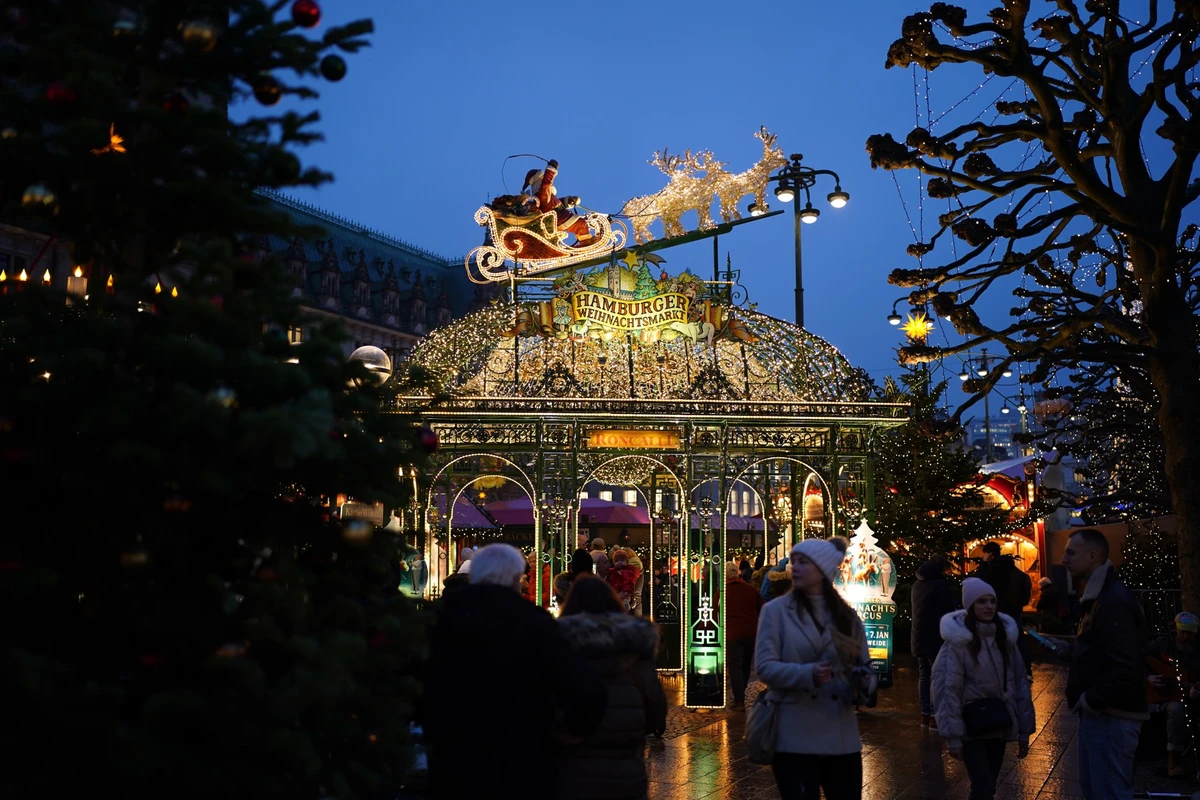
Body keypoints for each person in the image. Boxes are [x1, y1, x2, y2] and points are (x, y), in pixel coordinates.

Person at [422, 544, 607, 799]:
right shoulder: (536, 624)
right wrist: (569, 731)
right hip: (522, 757)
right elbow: (586, 689)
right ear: (516, 579)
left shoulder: (436, 620)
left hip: (452, 756)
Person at [756, 537, 870, 800]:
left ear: (823, 569)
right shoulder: (776, 612)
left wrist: (865, 682)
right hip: (795, 736)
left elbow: (864, 666)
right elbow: (764, 667)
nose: (794, 568)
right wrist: (806, 674)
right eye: (794, 561)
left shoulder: (847, 617)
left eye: (803, 562)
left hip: (840, 737)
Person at [1054, 529, 1148, 800]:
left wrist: (1091, 700)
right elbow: (1104, 651)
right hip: (1104, 713)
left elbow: (1126, 666)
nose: (1063, 559)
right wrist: (1072, 651)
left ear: (1093, 556)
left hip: (1111, 717)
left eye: (1071, 552)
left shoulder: (1110, 601)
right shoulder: (1100, 597)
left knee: (1108, 792)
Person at [557, 575, 667, 799]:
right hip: (626, 774)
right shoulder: (636, 651)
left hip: (572, 773)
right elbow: (656, 712)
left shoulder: (558, 649)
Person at [932, 578, 1035, 800]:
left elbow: (1020, 686)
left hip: (998, 722)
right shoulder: (957, 643)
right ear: (970, 606)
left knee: (989, 785)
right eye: (981, 602)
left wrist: (1024, 730)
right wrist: (953, 736)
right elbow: (947, 690)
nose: (988, 606)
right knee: (983, 786)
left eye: (992, 601)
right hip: (972, 726)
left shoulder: (1005, 640)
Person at [1145, 611, 1200, 778]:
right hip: (1162, 696)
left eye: (1189, 633)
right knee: (1176, 709)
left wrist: (1196, 691)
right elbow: (1138, 659)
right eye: (1182, 631)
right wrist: (1148, 677)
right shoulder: (1162, 644)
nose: (1185, 636)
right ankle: (1173, 761)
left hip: (1191, 698)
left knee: (1181, 707)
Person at [975, 541, 1033, 679]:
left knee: (995, 640)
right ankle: (1026, 669)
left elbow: (978, 581)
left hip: (997, 609)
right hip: (1014, 609)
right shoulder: (1013, 568)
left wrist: (983, 563)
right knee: (1018, 638)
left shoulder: (992, 569)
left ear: (989, 554)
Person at [911, 555, 957, 730]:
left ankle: (924, 715)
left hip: (918, 635)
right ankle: (934, 716)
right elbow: (946, 611)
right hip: (935, 636)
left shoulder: (917, 584)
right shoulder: (940, 585)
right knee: (937, 676)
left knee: (924, 674)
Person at [522, 159, 594, 245]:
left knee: (584, 221)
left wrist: (568, 201)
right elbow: (546, 183)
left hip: (559, 216)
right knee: (581, 223)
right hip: (559, 218)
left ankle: (585, 242)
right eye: (542, 177)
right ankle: (586, 243)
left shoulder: (546, 196)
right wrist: (551, 170)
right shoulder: (543, 193)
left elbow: (556, 204)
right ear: (539, 180)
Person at [726, 560, 765, 710]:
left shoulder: (723, 592)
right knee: (746, 664)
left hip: (733, 633)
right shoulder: (750, 589)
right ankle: (740, 695)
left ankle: (739, 700)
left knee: (734, 665)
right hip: (751, 632)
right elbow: (763, 607)